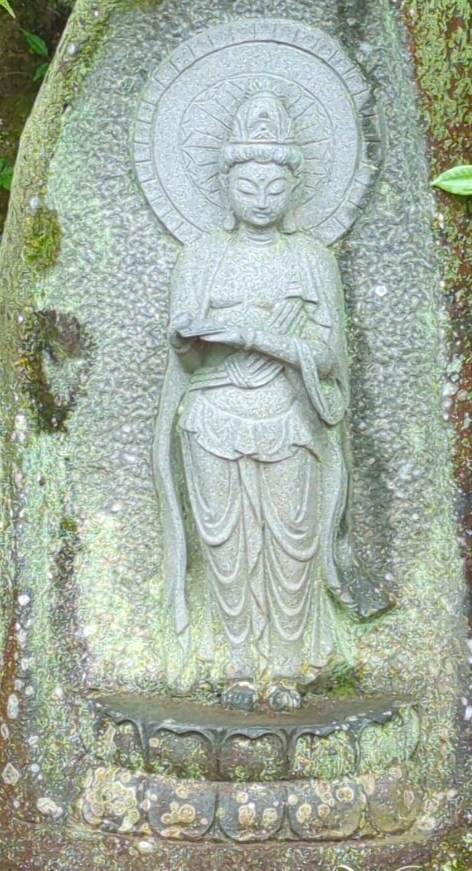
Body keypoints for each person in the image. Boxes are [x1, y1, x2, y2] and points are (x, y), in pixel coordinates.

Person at [154, 90, 353, 711]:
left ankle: (288, 666)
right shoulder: (201, 255)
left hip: (288, 415)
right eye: (248, 185)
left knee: (290, 536)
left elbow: (328, 356)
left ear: (294, 185)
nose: (261, 197)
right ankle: (238, 661)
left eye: (273, 185)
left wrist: (259, 335)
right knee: (224, 538)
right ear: (225, 184)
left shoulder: (311, 259)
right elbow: (184, 359)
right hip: (211, 414)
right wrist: (187, 339)